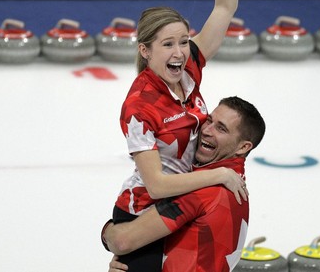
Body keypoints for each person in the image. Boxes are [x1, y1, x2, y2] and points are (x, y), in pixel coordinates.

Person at [110, 0, 245, 270]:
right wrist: (219, 175)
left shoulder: (188, 68)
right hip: (144, 213)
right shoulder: (139, 107)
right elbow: (157, 185)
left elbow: (224, 7)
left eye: (184, 41)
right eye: (168, 44)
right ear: (145, 50)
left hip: (185, 205)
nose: (179, 52)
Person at [103, 96, 266, 272]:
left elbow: (122, 240)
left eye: (221, 129)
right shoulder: (234, 183)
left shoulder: (203, 190)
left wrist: (107, 232)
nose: (207, 131)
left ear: (243, 147)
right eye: (209, 120)